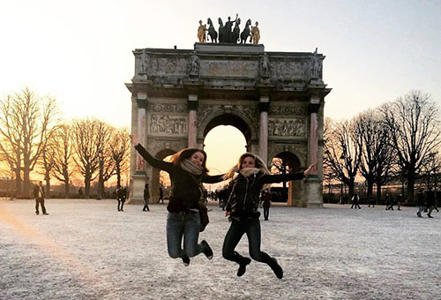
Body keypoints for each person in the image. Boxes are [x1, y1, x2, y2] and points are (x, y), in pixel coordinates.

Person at [222, 152, 314, 279]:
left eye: (250, 162)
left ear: (255, 165)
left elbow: (279, 178)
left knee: (255, 255)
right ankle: (242, 261)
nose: (247, 164)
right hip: (237, 220)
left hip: (251, 220)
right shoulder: (237, 179)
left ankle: (272, 262)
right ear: (241, 164)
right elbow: (233, 194)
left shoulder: (260, 177)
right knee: (226, 253)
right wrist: (227, 208)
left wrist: (302, 174)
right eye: (244, 162)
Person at [135, 143, 224, 266]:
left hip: (192, 216)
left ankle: (203, 246)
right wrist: (137, 146)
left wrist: (232, 173)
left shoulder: (199, 174)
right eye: (196, 157)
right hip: (174, 217)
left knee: (192, 251)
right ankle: (183, 254)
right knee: (173, 253)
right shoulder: (174, 167)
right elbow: (154, 162)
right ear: (187, 157)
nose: (198, 161)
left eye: (201, 160)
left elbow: (215, 179)